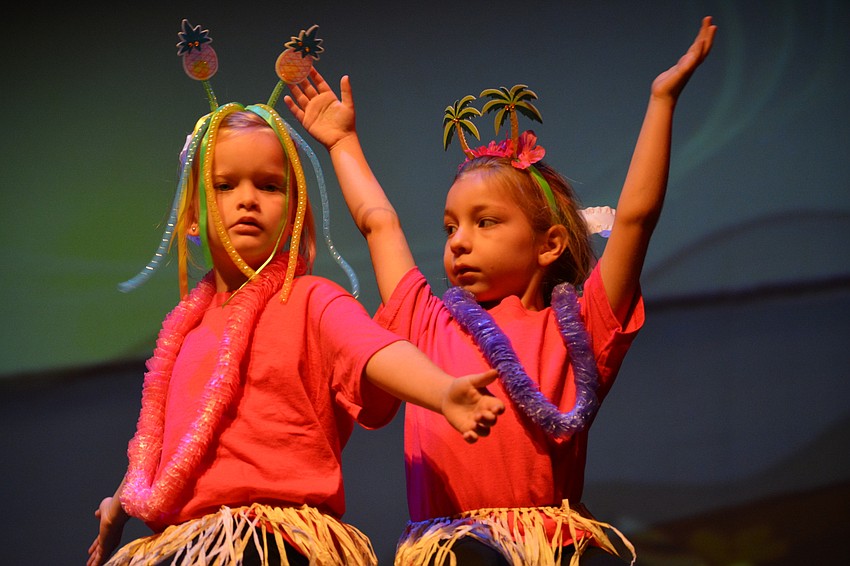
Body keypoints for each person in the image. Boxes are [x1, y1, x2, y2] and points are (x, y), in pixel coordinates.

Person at [284, 16, 716, 566]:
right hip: (450, 552)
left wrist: (662, 101)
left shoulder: (579, 328)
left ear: (549, 244)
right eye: (450, 227)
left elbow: (633, 221)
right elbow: (379, 223)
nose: (459, 242)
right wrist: (343, 142)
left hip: (547, 550)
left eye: (485, 222)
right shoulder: (423, 320)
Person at [87, 26, 506, 566]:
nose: (247, 201)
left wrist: (443, 391)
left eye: (268, 185)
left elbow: (377, 353)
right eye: (225, 185)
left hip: (275, 542)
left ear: (297, 209)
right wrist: (121, 502)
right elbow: (167, 441)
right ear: (192, 214)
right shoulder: (184, 329)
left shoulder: (311, 300)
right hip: (188, 542)